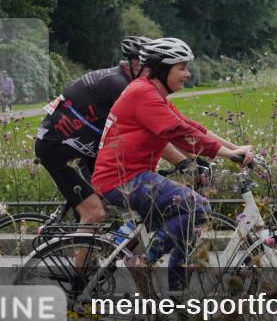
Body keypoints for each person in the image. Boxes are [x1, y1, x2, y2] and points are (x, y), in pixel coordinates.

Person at [92, 37, 254, 292]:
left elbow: (193, 128)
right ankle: (144, 262)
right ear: (163, 69)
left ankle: (176, 301)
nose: (187, 74)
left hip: (133, 176)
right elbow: (180, 134)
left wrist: (236, 149)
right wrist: (227, 155)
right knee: (197, 207)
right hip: (122, 179)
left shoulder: (154, 95)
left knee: (187, 231)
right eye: (182, 68)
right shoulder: (143, 94)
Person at [35, 36, 190, 232]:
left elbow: (173, 127)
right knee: (94, 213)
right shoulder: (121, 86)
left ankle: (102, 250)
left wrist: (195, 156)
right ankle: (83, 262)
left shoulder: (135, 85)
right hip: (58, 150)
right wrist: (183, 163)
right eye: (151, 69)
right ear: (135, 65)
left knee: (120, 193)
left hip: (86, 149)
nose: (154, 74)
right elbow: (159, 130)